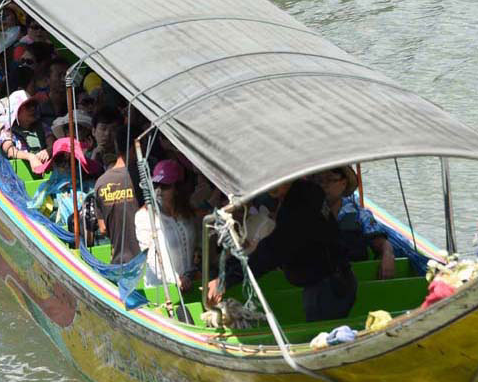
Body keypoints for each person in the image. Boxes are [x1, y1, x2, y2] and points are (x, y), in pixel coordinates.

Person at [209, 176, 357, 323]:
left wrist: (225, 279)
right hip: (332, 280)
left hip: (327, 287)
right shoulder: (307, 192)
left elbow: (272, 250)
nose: (271, 185)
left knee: (322, 334)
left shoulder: (301, 204)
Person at [319, 165, 429, 277]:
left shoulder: (358, 213)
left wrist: (388, 255)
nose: (324, 186)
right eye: (320, 181)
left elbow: (381, 242)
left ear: (343, 183)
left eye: (329, 180)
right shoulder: (308, 214)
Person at [135, 159, 199, 292]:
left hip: (189, 284)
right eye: (156, 185)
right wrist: (175, 279)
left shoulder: (187, 212)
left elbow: (195, 244)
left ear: (178, 188)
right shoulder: (144, 216)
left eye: (165, 186)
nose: (159, 190)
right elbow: (150, 256)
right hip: (161, 290)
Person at [93, 122, 140, 264]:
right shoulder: (140, 177)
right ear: (134, 148)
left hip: (119, 262)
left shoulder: (101, 182)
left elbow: (103, 228)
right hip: (145, 262)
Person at [0, 90, 53, 175]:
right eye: (28, 106)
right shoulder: (7, 131)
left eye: (34, 105)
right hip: (16, 175)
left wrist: (48, 151)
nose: (32, 109)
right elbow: (10, 151)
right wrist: (30, 157)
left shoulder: (42, 126)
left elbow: (52, 142)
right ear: (17, 110)